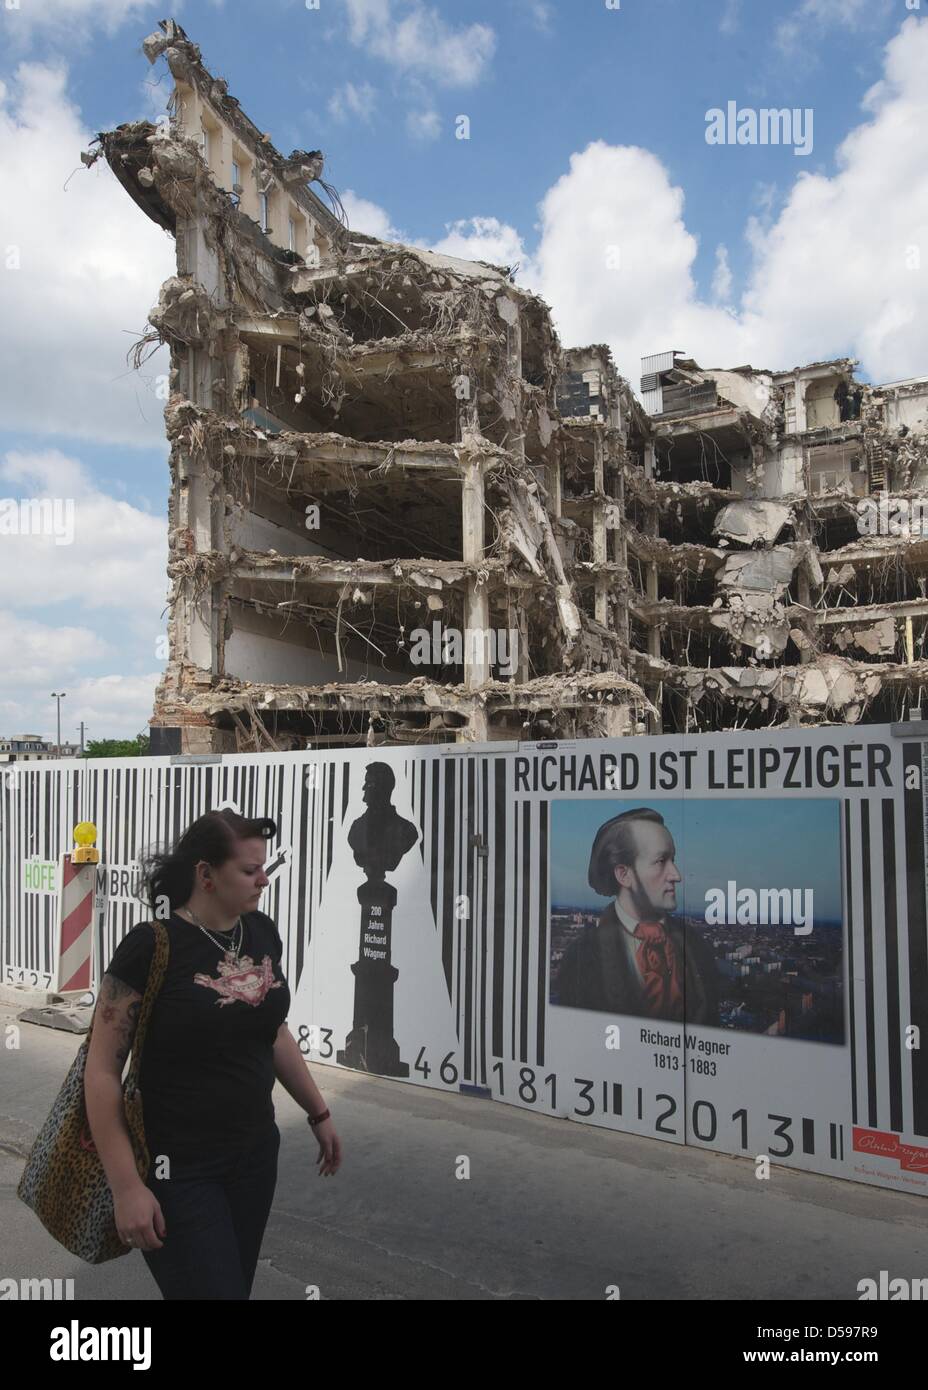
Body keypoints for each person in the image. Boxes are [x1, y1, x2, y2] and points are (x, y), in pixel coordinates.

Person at [83, 808, 341, 1300]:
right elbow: (101, 1072)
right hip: (176, 1170)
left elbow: (272, 1030)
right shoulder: (150, 947)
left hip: (254, 1158)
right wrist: (126, 1187)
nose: (264, 879)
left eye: (263, 868)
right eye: (249, 870)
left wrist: (319, 1112)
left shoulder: (260, 932)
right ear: (205, 874)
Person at [555, 808, 718, 1025]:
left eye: (673, 860)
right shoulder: (581, 958)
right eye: (661, 861)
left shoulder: (695, 945)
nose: (676, 875)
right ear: (624, 875)